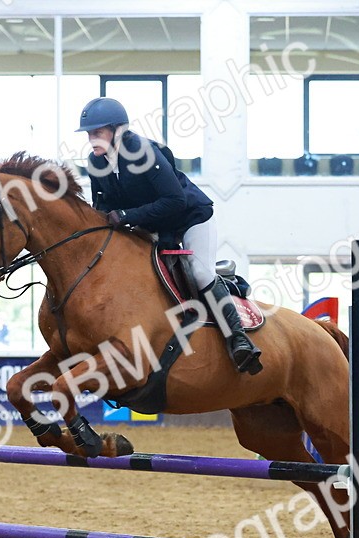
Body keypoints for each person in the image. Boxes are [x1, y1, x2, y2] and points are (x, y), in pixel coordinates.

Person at [76, 97, 262, 375]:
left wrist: (125, 216)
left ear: (117, 130)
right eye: (90, 134)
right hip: (151, 226)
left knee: (199, 273)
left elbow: (175, 200)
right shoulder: (96, 161)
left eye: (97, 132)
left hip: (189, 217)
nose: (92, 140)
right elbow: (102, 206)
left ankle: (238, 338)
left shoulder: (142, 152)